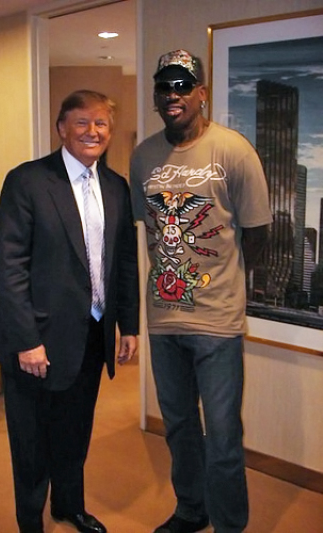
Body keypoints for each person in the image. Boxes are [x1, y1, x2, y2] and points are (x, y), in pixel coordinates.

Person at [130, 50, 272, 533]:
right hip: (164, 318)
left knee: (225, 436)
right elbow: (146, 228)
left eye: (182, 86)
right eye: (164, 87)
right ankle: (191, 510)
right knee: (179, 428)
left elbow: (257, 234)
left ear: (201, 94)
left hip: (217, 323)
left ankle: (230, 525)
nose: (172, 95)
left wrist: (225, 281)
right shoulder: (144, 155)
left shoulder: (233, 150)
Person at [0, 89, 139, 533]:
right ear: (61, 128)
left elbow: (125, 262)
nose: (92, 131)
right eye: (82, 122)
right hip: (36, 342)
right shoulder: (28, 181)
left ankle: (68, 505)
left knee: (74, 433)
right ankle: (30, 521)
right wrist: (27, 340)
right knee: (32, 442)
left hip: (91, 338)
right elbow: (9, 267)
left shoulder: (116, 187)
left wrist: (128, 325)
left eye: (101, 124)